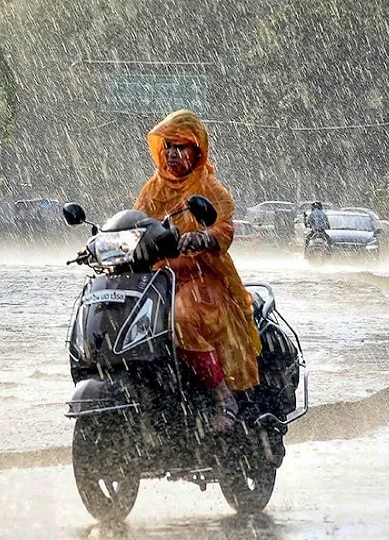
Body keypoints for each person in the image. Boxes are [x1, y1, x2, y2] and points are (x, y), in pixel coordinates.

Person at [134, 110, 262, 431]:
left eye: (181, 147)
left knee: (181, 317)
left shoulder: (210, 189)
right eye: (168, 147)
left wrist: (203, 236)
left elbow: (225, 229)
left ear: (197, 151)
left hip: (202, 277)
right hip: (160, 278)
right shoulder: (152, 190)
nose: (173, 154)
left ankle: (223, 397)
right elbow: (135, 224)